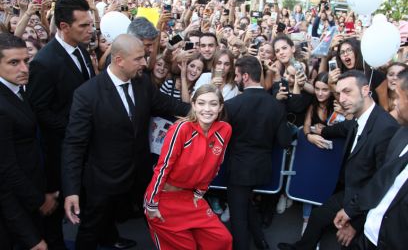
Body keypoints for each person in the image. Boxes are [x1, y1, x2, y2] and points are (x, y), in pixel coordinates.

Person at [62, 34, 189, 249]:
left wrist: (206, 110)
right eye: (138, 58)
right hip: (103, 178)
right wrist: (71, 190)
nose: (144, 63)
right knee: (91, 229)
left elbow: (170, 106)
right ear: (119, 60)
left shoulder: (142, 84)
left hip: (138, 173)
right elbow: (74, 145)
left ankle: (111, 238)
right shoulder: (87, 95)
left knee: (148, 215)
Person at [277, 70, 399, 250]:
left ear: (365, 90)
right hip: (349, 191)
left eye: (348, 92)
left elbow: (383, 184)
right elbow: (340, 129)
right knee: (318, 217)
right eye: (339, 93)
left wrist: (355, 223)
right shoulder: (359, 119)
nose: (341, 99)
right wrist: (313, 133)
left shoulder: (386, 127)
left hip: (364, 202)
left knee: (347, 242)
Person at [26, 0, 95, 250]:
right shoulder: (45, 62)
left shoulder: (82, 51)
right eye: (84, 26)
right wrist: (75, 129)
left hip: (84, 151)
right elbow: (39, 111)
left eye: (90, 24)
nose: (90, 30)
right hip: (58, 155)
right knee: (54, 220)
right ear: (64, 27)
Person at [144, 84, 233, 250]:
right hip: (165, 198)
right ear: (193, 105)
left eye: (213, 104)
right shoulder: (181, 128)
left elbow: (216, 164)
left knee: (222, 240)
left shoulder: (225, 129)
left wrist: (200, 192)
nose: (207, 109)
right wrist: (152, 204)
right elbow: (163, 168)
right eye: (201, 103)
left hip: (191, 197)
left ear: (220, 107)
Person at [333, 68, 408, 250]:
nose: (395, 103)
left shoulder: (387, 128)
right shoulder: (402, 136)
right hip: (367, 237)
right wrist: (352, 211)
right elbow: (382, 179)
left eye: (399, 96)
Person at [225, 55, 292, 250]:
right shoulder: (276, 105)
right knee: (245, 204)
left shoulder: (232, 106)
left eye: (237, 76)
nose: (235, 79)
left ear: (245, 76)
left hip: (238, 170)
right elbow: (285, 141)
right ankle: (261, 241)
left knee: (238, 220)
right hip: (262, 168)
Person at [0, 33, 54, 250]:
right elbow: (6, 171)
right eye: (14, 62)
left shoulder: (17, 91)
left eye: (26, 61)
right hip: (15, 207)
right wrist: (39, 199)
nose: (23, 68)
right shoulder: (2, 107)